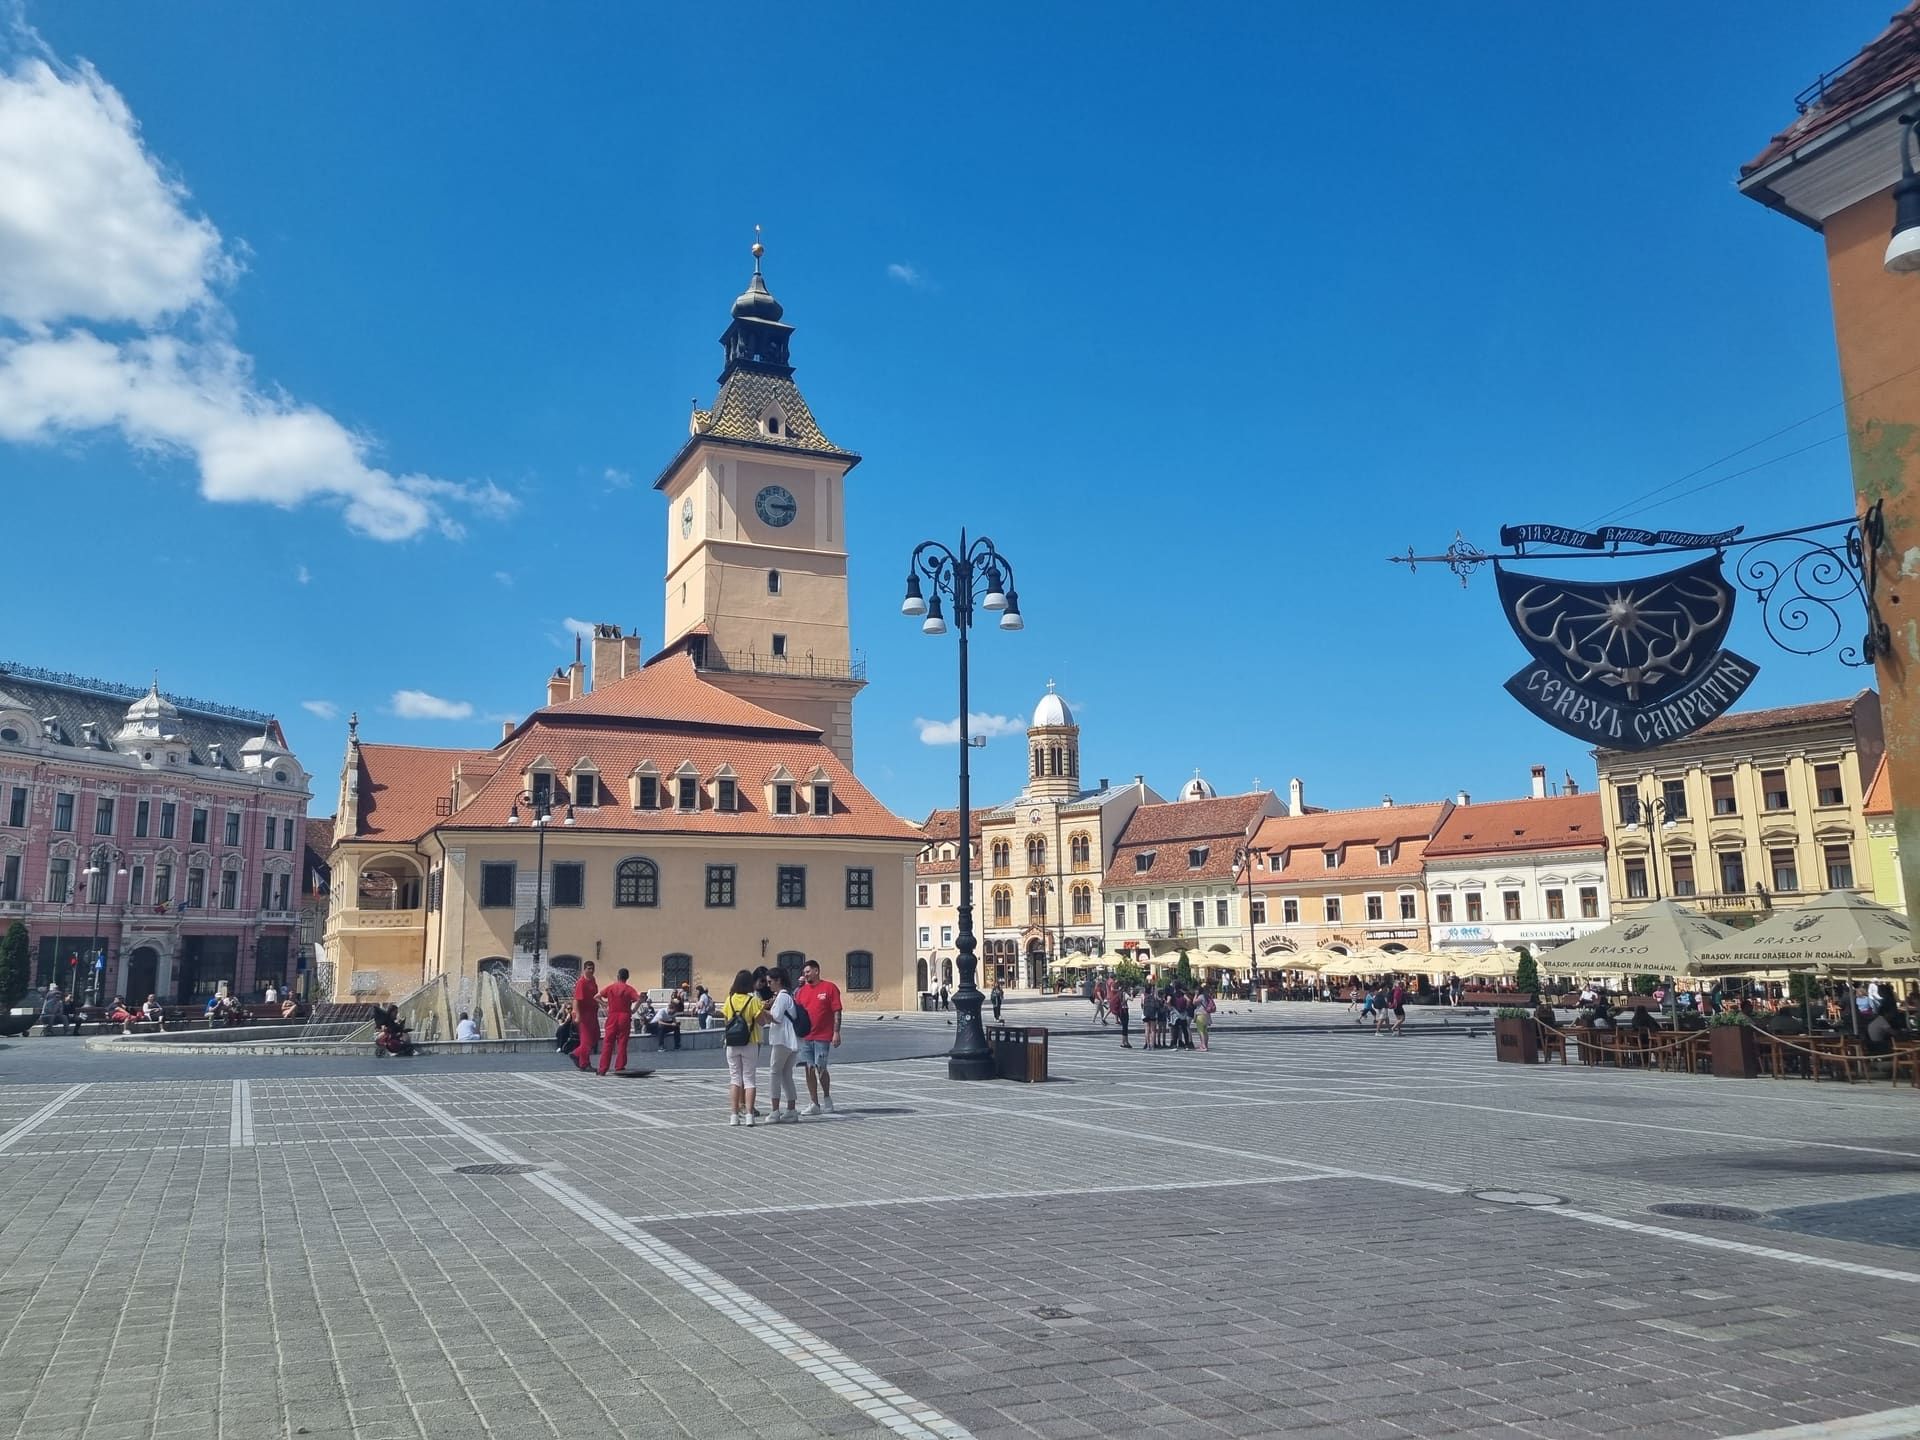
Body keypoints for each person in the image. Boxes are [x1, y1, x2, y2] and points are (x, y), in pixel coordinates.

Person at [794, 957, 844, 1114]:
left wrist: (836, 1032)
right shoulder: (801, 992)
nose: (806, 975)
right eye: (804, 973)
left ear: (816, 971)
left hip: (823, 1036)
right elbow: (796, 1012)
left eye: (808, 972)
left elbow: (837, 1010)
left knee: (821, 1067)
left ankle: (827, 1097)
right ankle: (814, 1103)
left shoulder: (829, 988)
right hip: (806, 1037)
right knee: (808, 1069)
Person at [720, 969, 765, 1126]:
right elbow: (761, 1022)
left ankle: (733, 1115)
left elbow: (726, 1021)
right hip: (750, 1042)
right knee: (749, 1079)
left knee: (735, 1078)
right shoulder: (753, 1001)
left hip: (732, 1044)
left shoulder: (729, 1000)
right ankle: (749, 1115)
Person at [763, 967, 802, 1123]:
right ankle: (791, 1109)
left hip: (783, 1039)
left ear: (778, 980)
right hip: (790, 1039)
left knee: (774, 1072)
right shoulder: (786, 996)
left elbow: (776, 1017)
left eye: (770, 981)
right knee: (786, 1073)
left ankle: (775, 1111)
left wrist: (759, 1008)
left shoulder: (782, 997)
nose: (768, 985)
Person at [597, 968, 639, 1075]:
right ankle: (619, 1066)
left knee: (608, 1042)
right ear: (627, 977)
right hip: (624, 1016)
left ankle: (603, 1068)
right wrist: (633, 1010)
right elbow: (638, 999)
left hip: (612, 1016)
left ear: (618, 976)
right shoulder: (629, 989)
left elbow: (596, 997)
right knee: (622, 1042)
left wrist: (605, 1004)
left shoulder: (611, 987)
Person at [571, 961, 600, 1071]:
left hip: (593, 1013)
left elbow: (595, 996)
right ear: (584, 969)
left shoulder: (593, 980)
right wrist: (577, 1016)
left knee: (595, 1037)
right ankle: (583, 1062)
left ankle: (577, 1055)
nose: (591, 970)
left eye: (592, 968)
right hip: (584, 1015)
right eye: (589, 968)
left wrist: (603, 1004)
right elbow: (577, 1000)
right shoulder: (581, 983)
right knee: (586, 1040)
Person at [1112, 982, 1132, 1049]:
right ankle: (1124, 1042)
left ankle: (1126, 1042)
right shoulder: (1125, 994)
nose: (1130, 989)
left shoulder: (1120, 993)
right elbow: (1131, 999)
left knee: (1124, 1027)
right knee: (1125, 1027)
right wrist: (1132, 993)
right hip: (1124, 1011)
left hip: (1120, 1011)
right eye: (1129, 988)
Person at [1193, 986, 1214, 1051]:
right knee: (1205, 1031)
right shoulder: (1206, 996)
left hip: (1201, 1015)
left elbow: (1194, 1002)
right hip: (1207, 1015)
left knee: (1200, 1031)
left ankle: (1203, 1046)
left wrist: (1195, 995)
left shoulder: (1201, 996)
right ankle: (1206, 1045)